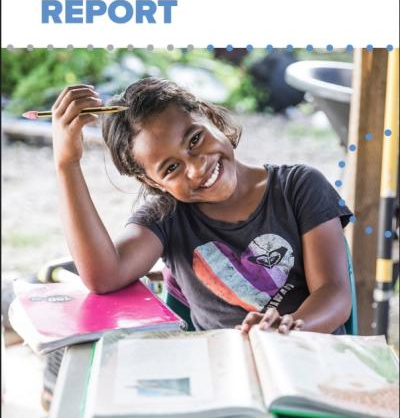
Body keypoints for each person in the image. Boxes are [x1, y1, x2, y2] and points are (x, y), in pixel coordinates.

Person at [51, 78, 353, 335]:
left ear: (210, 116)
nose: (197, 168)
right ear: (154, 182)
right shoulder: (167, 217)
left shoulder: (298, 187)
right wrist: (67, 164)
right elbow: (104, 276)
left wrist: (288, 328)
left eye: (195, 139)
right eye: (171, 168)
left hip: (314, 365)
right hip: (229, 383)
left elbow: (334, 293)